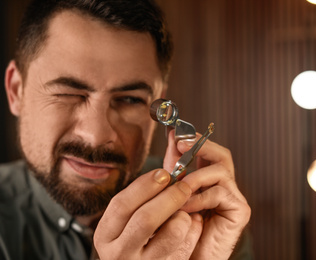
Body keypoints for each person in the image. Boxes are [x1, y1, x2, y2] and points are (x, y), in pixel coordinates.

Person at [0, 0, 252, 259]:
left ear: (159, 106)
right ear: (15, 90)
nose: (97, 137)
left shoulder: (202, 215)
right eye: (69, 93)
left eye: (131, 99)